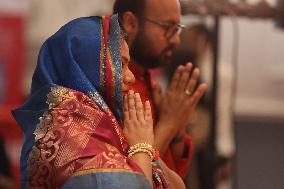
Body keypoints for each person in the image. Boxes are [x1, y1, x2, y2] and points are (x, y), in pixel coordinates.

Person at [12, 15, 185, 188]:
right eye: (121, 65)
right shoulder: (71, 138)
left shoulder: (107, 128)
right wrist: (142, 146)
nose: (130, 77)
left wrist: (145, 145)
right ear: (88, 68)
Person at [113, 0, 207, 178]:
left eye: (177, 28)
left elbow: (172, 177)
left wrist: (177, 130)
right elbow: (127, 179)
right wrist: (169, 124)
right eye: (168, 27)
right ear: (131, 23)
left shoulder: (145, 77)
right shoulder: (111, 85)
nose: (176, 39)